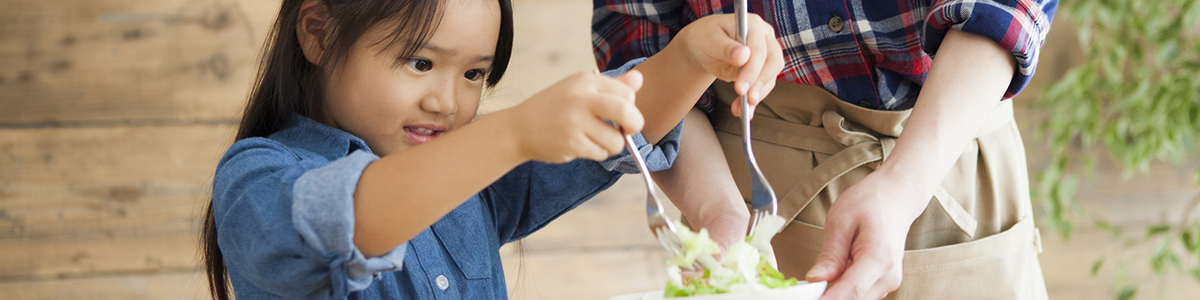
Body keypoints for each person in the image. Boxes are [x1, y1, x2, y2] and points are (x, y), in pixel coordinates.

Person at [196, 0, 708, 298]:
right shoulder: (254, 177)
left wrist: (692, 56)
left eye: (473, 74)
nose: (446, 102)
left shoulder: (474, 162)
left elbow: (616, 126)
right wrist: (514, 132)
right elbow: (346, 220)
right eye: (420, 63)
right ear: (319, 33)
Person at [594, 0, 1058, 299]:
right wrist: (718, 212)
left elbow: (1002, 11)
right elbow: (642, 60)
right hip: (742, 191)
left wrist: (903, 183)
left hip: (950, 158)